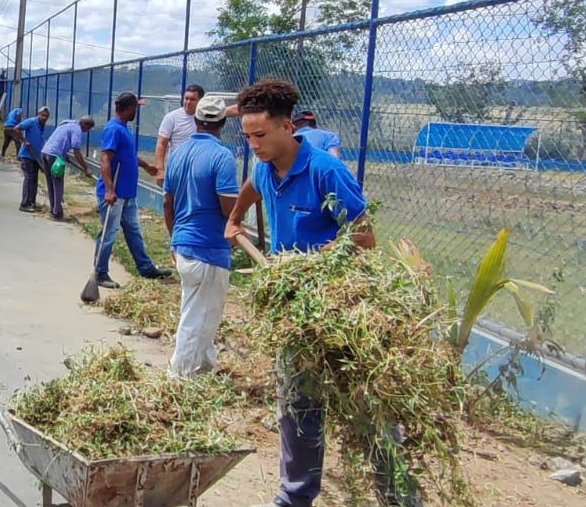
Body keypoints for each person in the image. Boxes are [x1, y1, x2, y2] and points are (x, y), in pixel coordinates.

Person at [224, 80, 419, 507]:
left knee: (367, 404)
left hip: (340, 307)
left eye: (260, 135)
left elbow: (364, 237)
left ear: (287, 127)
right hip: (294, 309)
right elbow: (252, 185)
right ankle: (294, 497)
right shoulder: (264, 167)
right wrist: (235, 216)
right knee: (298, 404)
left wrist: (311, 264)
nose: (253, 145)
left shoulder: (324, 171)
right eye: (248, 136)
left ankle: (398, 496)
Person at [162, 96, 237, 378]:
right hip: (208, 247)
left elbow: (167, 203)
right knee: (199, 319)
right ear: (223, 122)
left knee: (200, 313)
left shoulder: (178, 154)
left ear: (196, 120)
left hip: (184, 244)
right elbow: (228, 207)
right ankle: (179, 378)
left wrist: (174, 239)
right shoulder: (222, 157)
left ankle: (204, 367)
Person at [94, 92, 174, 288]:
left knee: (133, 231)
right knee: (109, 233)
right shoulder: (114, 129)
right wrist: (109, 190)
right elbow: (105, 160)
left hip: (127, 193)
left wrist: (145, 165)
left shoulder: (123, 129)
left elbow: (127, 156)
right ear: (129, 108)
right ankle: (100, 272)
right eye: (135, 108)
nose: (136, 112)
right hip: (115, 194)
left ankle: (146, 268)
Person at [41, 115, 95, 221]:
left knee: (51, 183)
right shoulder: (77, 130)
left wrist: (64, 154)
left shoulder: (66, 123)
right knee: (57, 184)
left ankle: (53, 210)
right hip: (55, 156)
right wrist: (86, 168)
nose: (86, 131)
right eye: (88, 128)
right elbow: (76, 151)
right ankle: (57, 213)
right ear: (85, 124)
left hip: (45, 153)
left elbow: (59, 140)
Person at [155, 84, 205, 188]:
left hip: (199, 173)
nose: (188, 102)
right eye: (186, 98)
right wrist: (160, 171)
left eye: (192, 99)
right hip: (177, 172)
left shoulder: (206, 117)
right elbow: (161, 144)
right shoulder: (171, 117)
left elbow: (230, 111)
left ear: (200, 101)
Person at [12, 106, 51, 212]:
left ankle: (31, 202)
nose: (44, 118)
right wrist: (24, 140)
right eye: (42, 115)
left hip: (36, 157)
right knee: (29, 179)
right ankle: (24, 204)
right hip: (27, 155)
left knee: (34, 180)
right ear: (38, 114)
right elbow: (16, 128)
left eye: (46, 116)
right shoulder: (31, 121)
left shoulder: (42, 126)